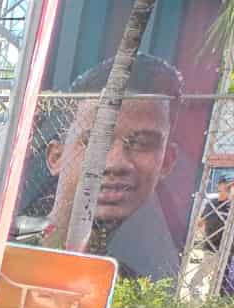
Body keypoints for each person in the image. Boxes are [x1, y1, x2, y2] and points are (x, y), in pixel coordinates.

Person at [37, 54, 183, 279]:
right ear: (56, 156)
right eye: (96, 141)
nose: (115, 163)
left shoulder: (133, 284)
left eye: (142, 144)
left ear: (167, 162)